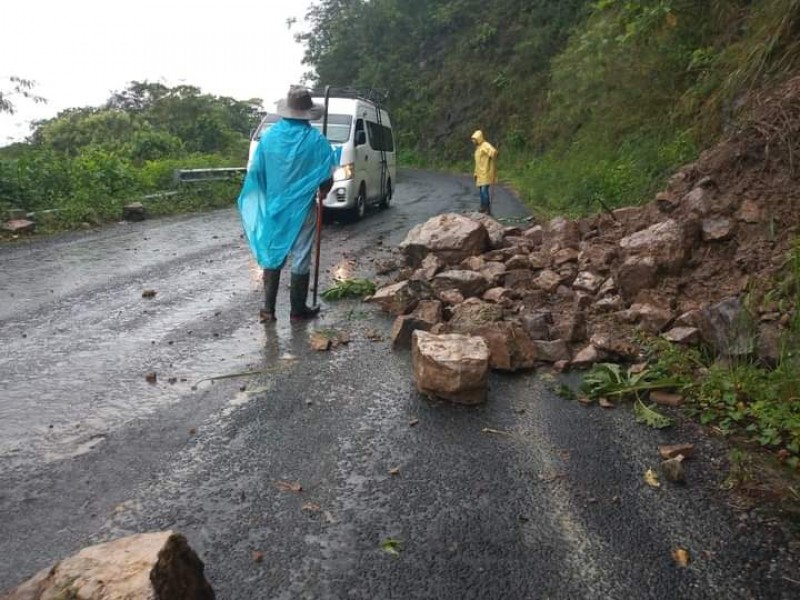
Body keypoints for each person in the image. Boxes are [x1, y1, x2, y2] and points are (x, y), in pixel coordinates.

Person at [237, 85, 337, 323]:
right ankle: (297, 310)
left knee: (273, 253)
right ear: (308, 112)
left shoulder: (269, 138)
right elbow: (326, 180)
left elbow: (257, 173)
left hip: (275, 207)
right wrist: (322, 190)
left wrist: (273, 194)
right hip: (303, 209)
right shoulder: (317, 141)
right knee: (301, 254)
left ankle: (268, 310)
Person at [470, 129, 498, 214]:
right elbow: (477, 163)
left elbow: (493, 151)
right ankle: (483, 207)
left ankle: (486, 208)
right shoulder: (478, 149)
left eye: (474, 139)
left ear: (478, 138)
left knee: (484, 191)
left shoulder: (485, 145)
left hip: (486, 172)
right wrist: (475, 173)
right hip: (480, 173)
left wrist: (493, 154)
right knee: (481, 192)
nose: (473, 141)